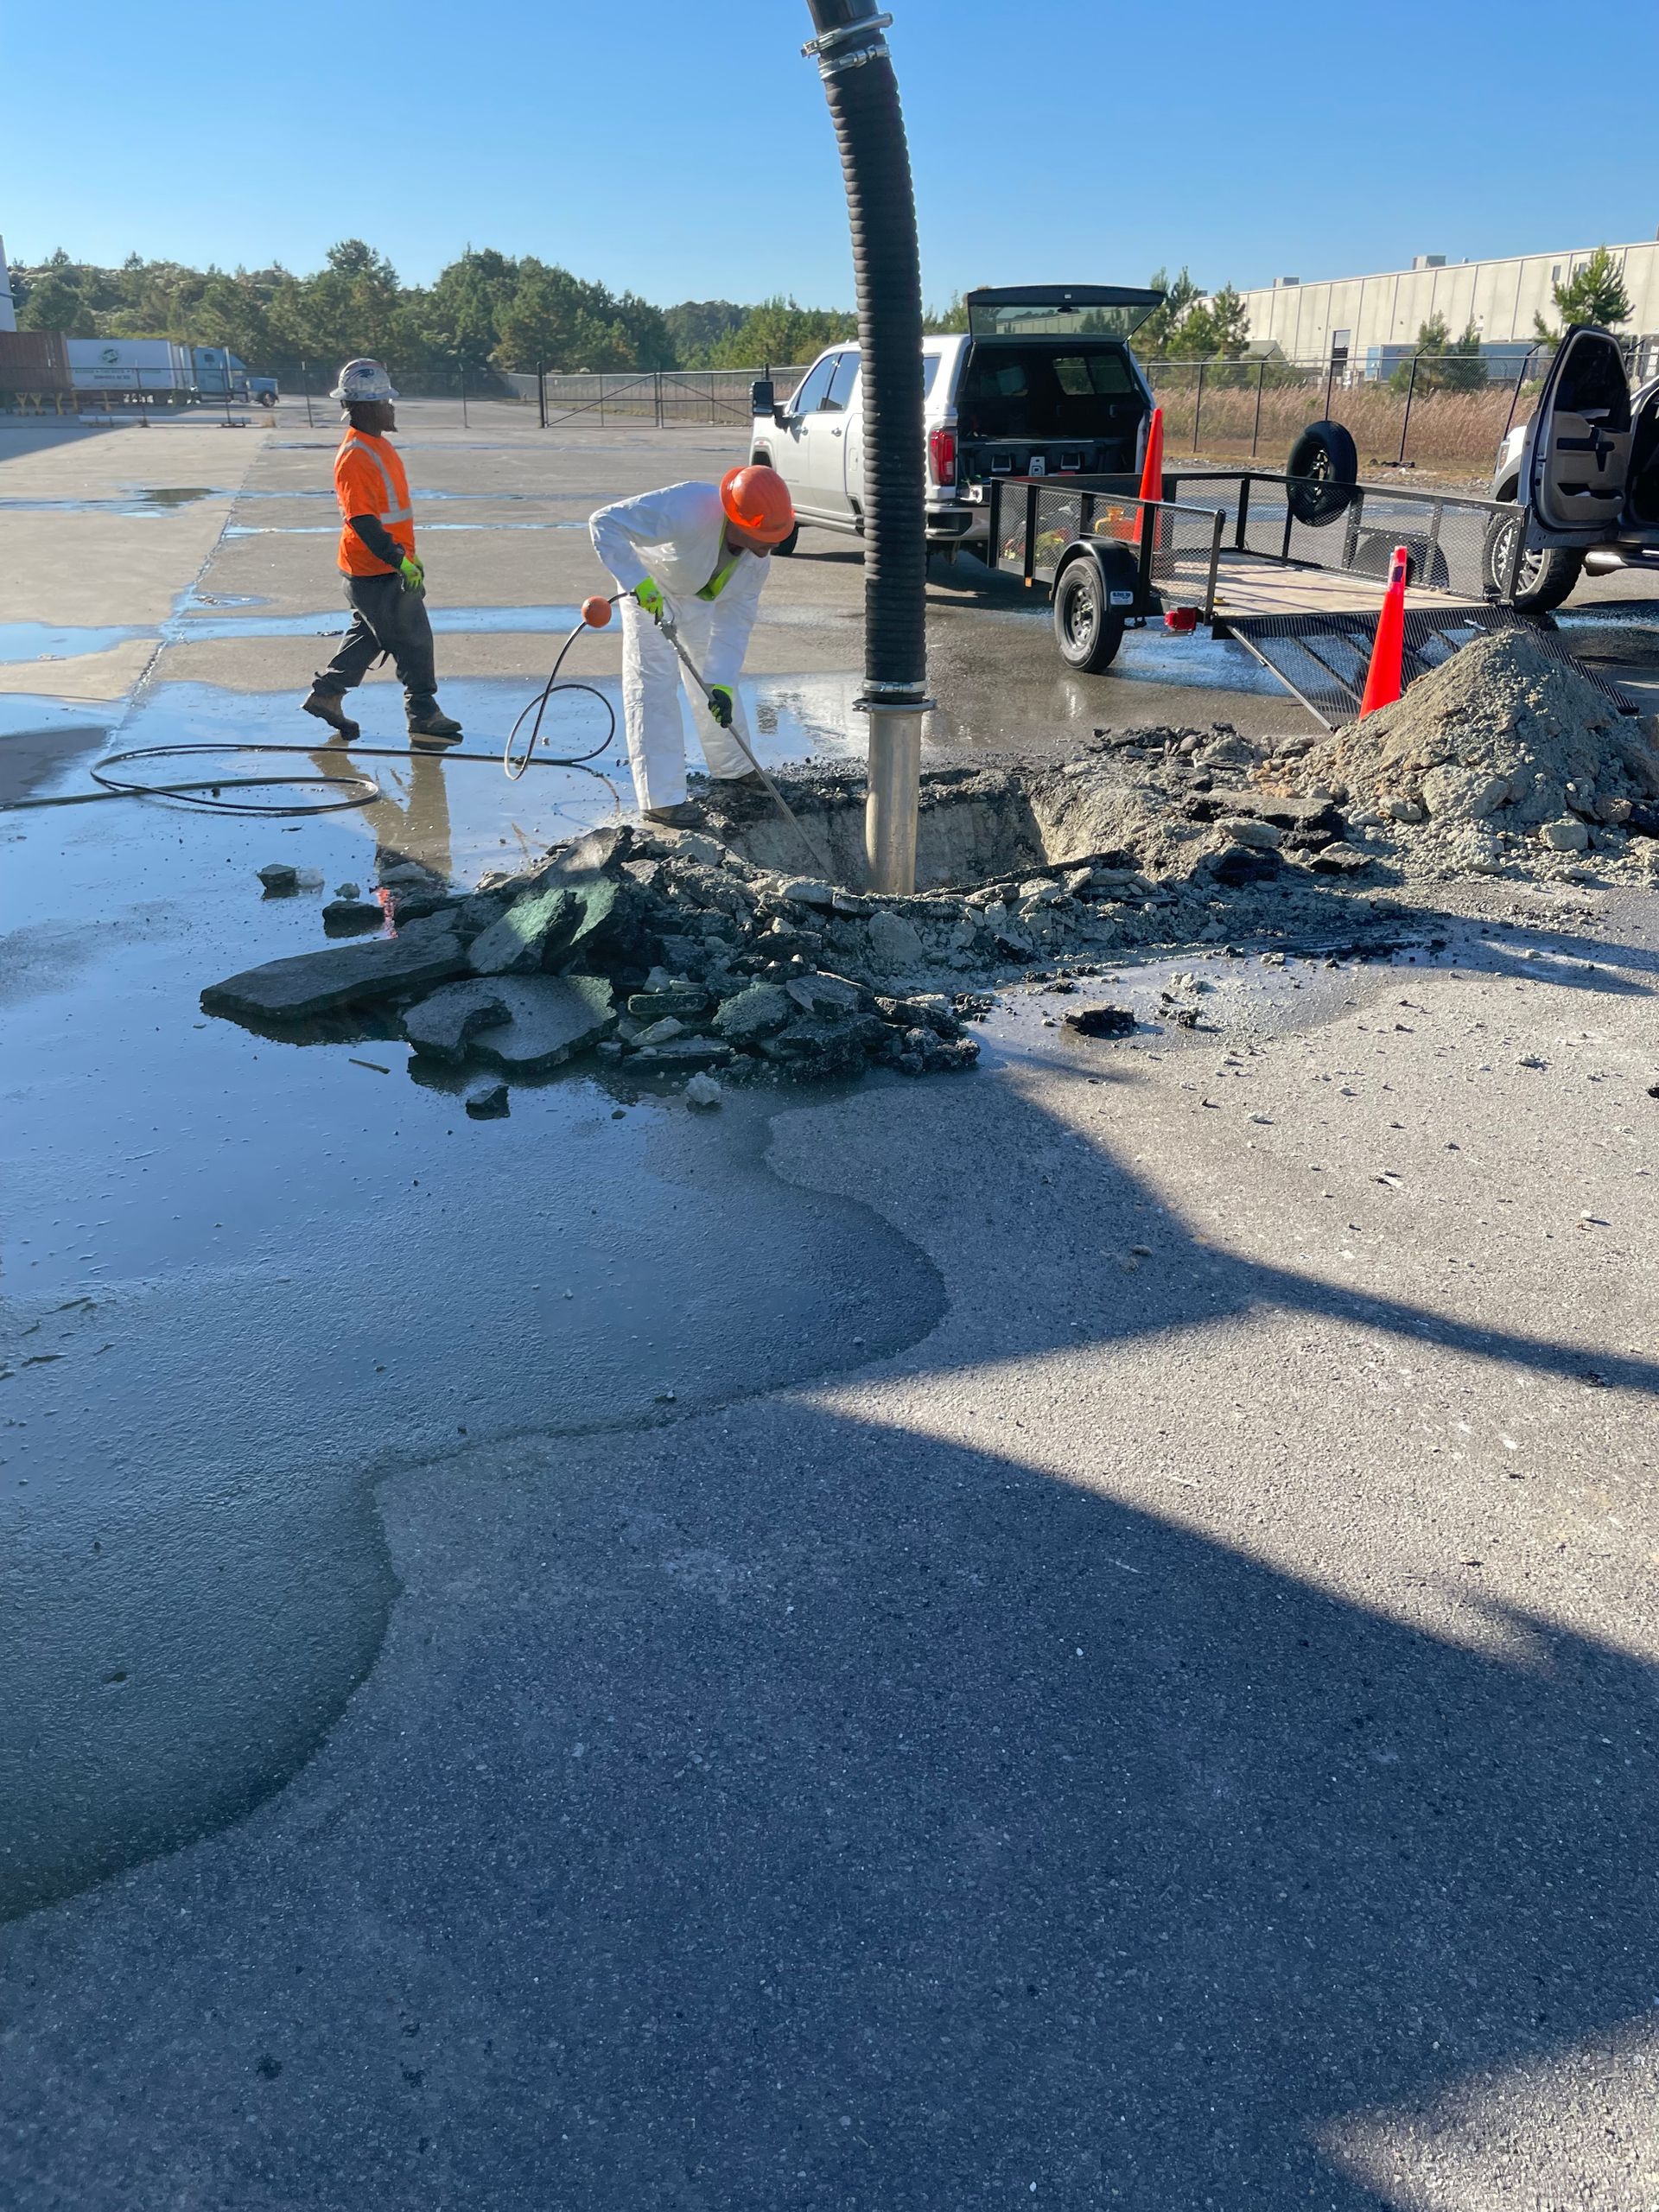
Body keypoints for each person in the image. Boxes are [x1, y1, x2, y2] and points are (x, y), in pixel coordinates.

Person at [589, 466, 796, 827]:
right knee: (654, 684)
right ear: (739, 520)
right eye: (766, 535)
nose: (773, 545)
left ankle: (734, 768)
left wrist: (720, 682)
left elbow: (734, 627)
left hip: (698, 598)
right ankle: (661, 799)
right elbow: (604, 523)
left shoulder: (755, 565)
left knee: (714, 686)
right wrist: (639, 584)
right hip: (652, 590)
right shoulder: (688, 505)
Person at [302, 359, 462, 748]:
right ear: (367, 407)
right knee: (414, 640)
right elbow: (363, 521)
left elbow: (389, 514)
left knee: (371, 635)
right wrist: (398, 560)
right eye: (386, 402)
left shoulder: (378, 446)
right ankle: (423, 713)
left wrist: (409, 554)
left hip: (378, 565)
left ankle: (327, 694)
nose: (392, 408)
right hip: (375, 568)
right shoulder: (356, 454)